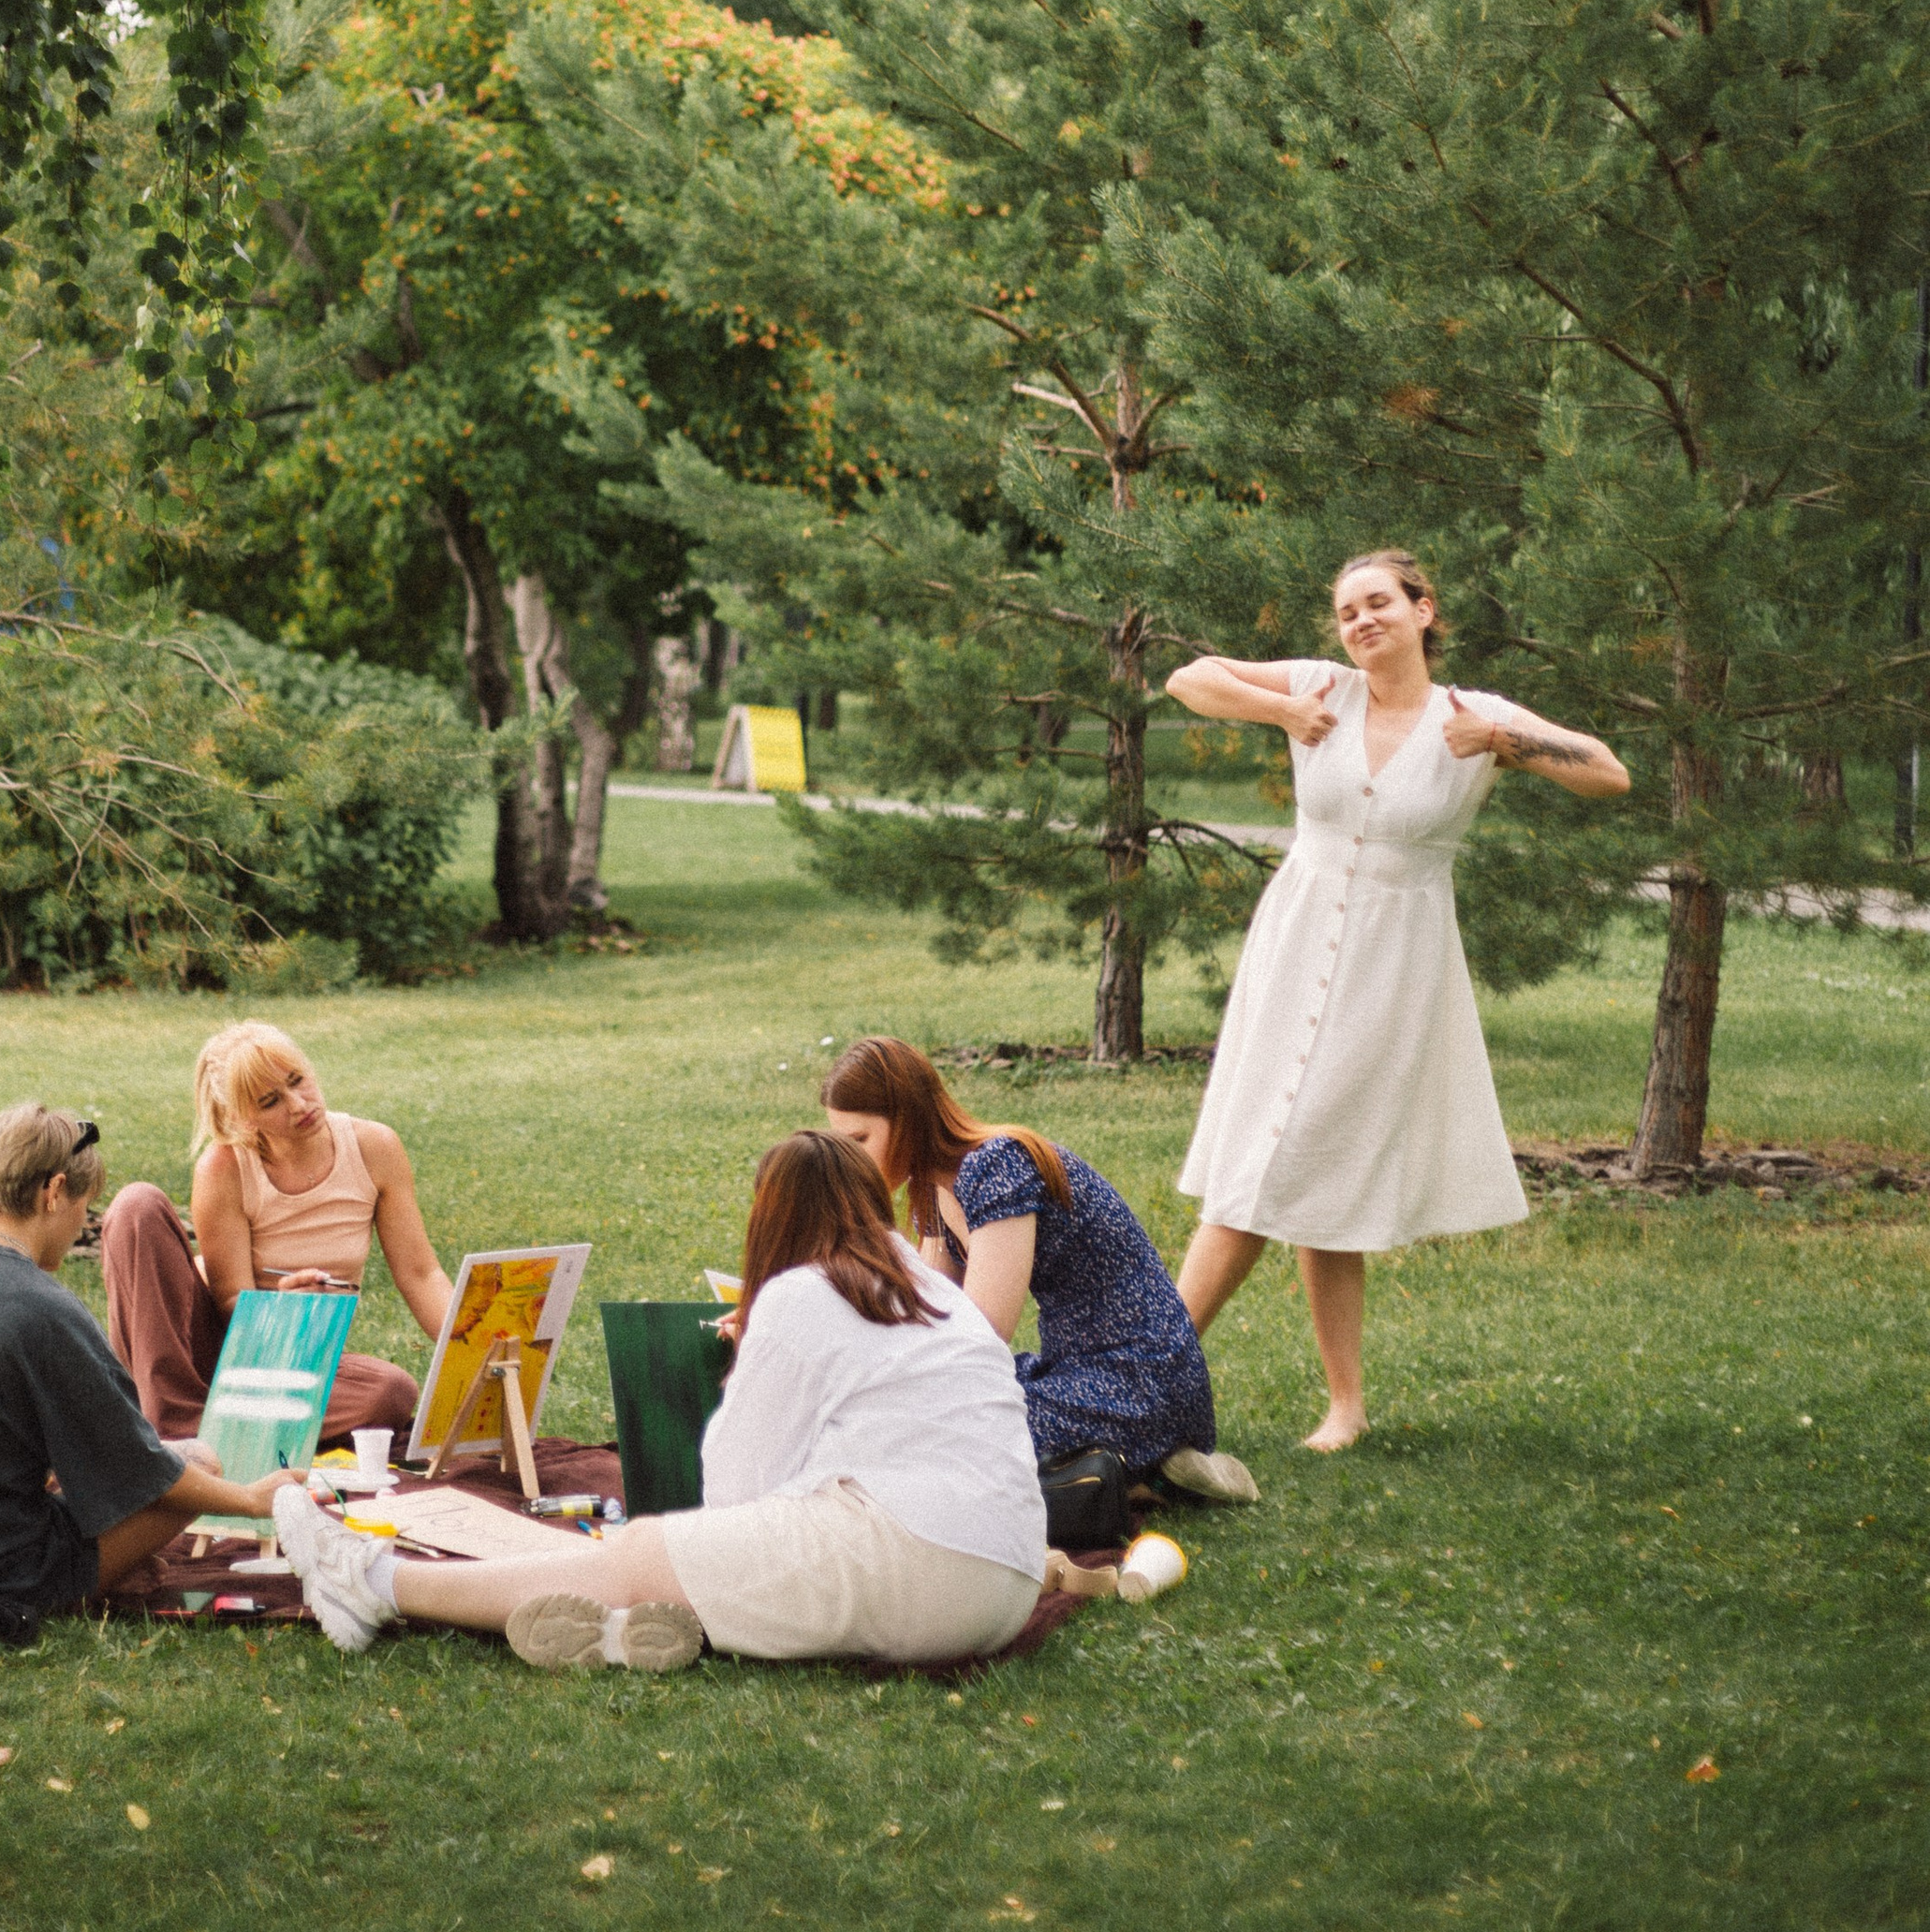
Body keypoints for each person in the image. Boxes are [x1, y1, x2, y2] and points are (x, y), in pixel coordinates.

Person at [274, 1131, 1054, 1673]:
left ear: (772, 1215)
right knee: (638, 1565)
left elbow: (732, 1494)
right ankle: (614, 1634)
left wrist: (745, 1366)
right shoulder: (933, 1290)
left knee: (646, 1552)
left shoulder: (800, 1295)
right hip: (1005, 1585)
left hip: (920, 1564)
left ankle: (373, 1582)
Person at [1167, 545, 1629, 1452]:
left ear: (1424, 611)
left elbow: (1607, 771)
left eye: (1378, 602)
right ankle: (1165, 1371)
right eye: (1346, 612)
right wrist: (1279, 709)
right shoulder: (1320, 690)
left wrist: (1505, 743)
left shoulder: (1474, 716)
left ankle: (1238, 1386)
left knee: (1312, 1160)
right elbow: (1189, 676)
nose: (1360, 621)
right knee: (1269, 1152)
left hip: (1393, 962)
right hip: (1298, 941)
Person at [0, 1102, 285, 1649]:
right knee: (199, 1459)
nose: (82, 1222)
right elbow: (144, 1472)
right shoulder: (43, 1308)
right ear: (54, 1192)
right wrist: (251, 1499)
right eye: (85, 1207)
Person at [818, 1037, 1255, 1507]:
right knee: (924, 1414)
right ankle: (1136, 1472)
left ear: (906, 1120)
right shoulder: (933, 1190)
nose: (851, 1162)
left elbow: (982, 1334)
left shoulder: (996, 1165)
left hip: (1143, 1378)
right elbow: (923, 1311)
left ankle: (1142, 1475)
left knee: (958, 1425)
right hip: (1077, 1367)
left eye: (860, 1141)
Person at [100, 1023, 448, 1449]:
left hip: (289, 1363)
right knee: (137, 1204)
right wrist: (279, 1310)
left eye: (297, 1080)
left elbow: (421, 1273)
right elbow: (231, 1301)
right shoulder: (224, 1168)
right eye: (270, 1102)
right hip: (206, 1350)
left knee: (390, 1390)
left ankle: (216, 1433)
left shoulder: (375, 1147)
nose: (298, 1104)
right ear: (241, 1119)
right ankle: (173, 1432)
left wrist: (472, 1339)